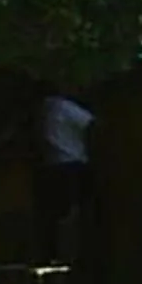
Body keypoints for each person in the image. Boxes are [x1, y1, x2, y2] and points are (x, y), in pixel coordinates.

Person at [37, 87, 96, 259]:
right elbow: (90, 123)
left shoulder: (45, 107)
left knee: (58, 213)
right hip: (72, 164)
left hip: (53, 164)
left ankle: (59, 253)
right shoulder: (64, 107)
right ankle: (74, 252)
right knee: (74, 211)